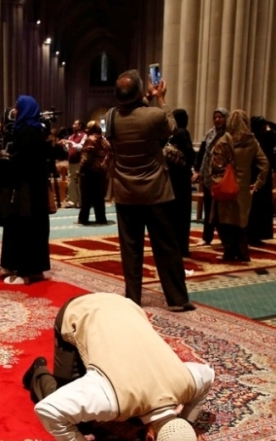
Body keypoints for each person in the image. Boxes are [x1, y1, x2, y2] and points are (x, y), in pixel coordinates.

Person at [22, 292, 215, 441]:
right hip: (81, 311)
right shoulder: (111, 399)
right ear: (149, 437)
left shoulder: (187, 383)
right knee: (82, 425)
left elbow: (208, 375)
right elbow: (48, 410)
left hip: (127, 305)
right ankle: (37, 373)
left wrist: (188, 423)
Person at [107, 69, 194, 311]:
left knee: (131, 249)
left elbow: (128, 115)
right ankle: (177, 299)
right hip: (155, 192)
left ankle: (133, 298)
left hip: (125, 192)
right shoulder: (155, 116)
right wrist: (161, 99)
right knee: (166, 247)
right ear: (138, 93)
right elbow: (173, 127)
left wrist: (143, 98)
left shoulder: (110, 117)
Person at [0, 95, 51, 285]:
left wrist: (8, 162)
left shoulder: (26, 131)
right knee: (36, 228)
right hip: (36, 189)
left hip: (26, 190)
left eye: (18, 108)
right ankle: (36, 269)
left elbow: (23, 162)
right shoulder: (38, 129)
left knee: (24, 228)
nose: (15, 111)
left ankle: (24, 272)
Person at [209, 110, 269, 262]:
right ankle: (242, 253)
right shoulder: (252, 141)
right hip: (242, 188)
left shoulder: (224, 140)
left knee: (224, 221)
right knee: (240, 222)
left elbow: (214, 166)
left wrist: (214, 183)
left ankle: (229, 252)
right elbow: (264, 164)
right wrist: (257, 184)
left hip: (226, 185)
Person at [247, 117, 276, 245]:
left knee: (254, 207)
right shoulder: (264, 140)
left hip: (251, 176)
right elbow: (270, 158)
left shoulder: (250, 140)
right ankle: (255, 236)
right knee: (259, 207)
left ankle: (251, 235)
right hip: (261, 178)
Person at [193, 108, 229, 245]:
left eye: (220, 117)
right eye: (215, 117)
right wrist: (198, 171)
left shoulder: (229, 134)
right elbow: (202, 153)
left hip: (223, 177)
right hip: (209, 177)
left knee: (222, 210)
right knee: (209, 208)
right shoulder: (209, 133)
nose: (217, 120)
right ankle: (207, 237)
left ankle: (226, 238)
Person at [165, 109, 195, 256]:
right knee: (180, 215)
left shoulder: (180, 133)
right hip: (180, 179)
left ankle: (179, 247)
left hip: (177, 179)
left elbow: (189, 156)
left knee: (177, 214)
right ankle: (180, 247)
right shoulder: (179, 133)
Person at [77, 122, 110, 226]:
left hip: (89, 171)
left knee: (86, 197)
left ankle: (83, 219)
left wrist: (79, 170)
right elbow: (110, 155)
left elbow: (86, 158)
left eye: (87, 128)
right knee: (99, 197)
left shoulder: (90, 139)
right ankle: (101, 218)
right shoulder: (104, 140)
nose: (86, 130)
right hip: (101, 171)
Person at [60, 119, 86, 207]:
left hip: (79, 161)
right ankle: (72, 201)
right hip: (71, 162)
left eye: (75, 124)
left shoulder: (84, 136)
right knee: (71, 181)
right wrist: (64, 145)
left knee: (79, 181)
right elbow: (69, 149)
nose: (73, 126)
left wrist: (70, 142)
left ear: (80, 126)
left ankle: (82, 201)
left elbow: (81, 147)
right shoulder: (71, 136)